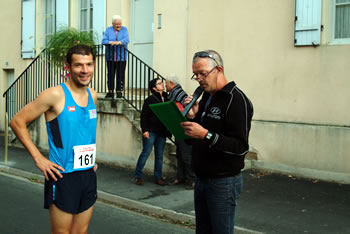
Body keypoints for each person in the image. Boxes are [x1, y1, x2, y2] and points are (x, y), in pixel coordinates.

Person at [10, 44, 98, 233]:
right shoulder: (55, 95)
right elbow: (17, 122)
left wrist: (91, 158)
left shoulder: (93, 95)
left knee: (80, 231)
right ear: (68, 66)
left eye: (89, 64)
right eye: (78, 65)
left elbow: (85, 130)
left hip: (88, 174)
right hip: (62, 175)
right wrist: (38, 158)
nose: (85, 70)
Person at [181, 50, 253, 234]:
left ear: (218, 69)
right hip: (202, 179)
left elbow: (240, 147)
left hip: (223, 182)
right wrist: (194, 117)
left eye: (202, 73)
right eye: (195, 75)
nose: (198, 79)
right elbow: (197, 137)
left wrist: (206, 134)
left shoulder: (236, 100)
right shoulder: (206, 97)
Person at [135, 78, 170, 186]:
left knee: (159, 156)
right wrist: (145, 130)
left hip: (162, 132)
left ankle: (158, 177)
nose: (162, 85)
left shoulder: (167, 97)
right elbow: (144, 116)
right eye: (159, 84)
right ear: (154, 88)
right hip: (151, 131)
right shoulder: (150, 99)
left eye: (161, 83)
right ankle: (138, 176)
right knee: (146, 152)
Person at [165, 74, 195, 189]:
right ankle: (180, 177)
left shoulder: (178, 94)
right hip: (179, 130)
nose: (165, 85)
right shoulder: (175, 93)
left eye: (166, 83)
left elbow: (183, 111)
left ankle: (192, 179)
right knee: (180, 155)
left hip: (184, 130)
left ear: (172, 84)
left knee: (186, 156)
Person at [102, 15, 129, 98]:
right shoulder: (108, 30)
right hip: (110, 57)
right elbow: (104, 41)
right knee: (110, 74)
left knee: (120, 75)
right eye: (117, 24)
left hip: (121, 57)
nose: (118, 26)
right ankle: (110, 91)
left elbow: (126, 40)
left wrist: (119, 42)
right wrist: (111, 42)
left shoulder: (124, 30)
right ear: (113, 24)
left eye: (120, 24)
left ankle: (119, 91)